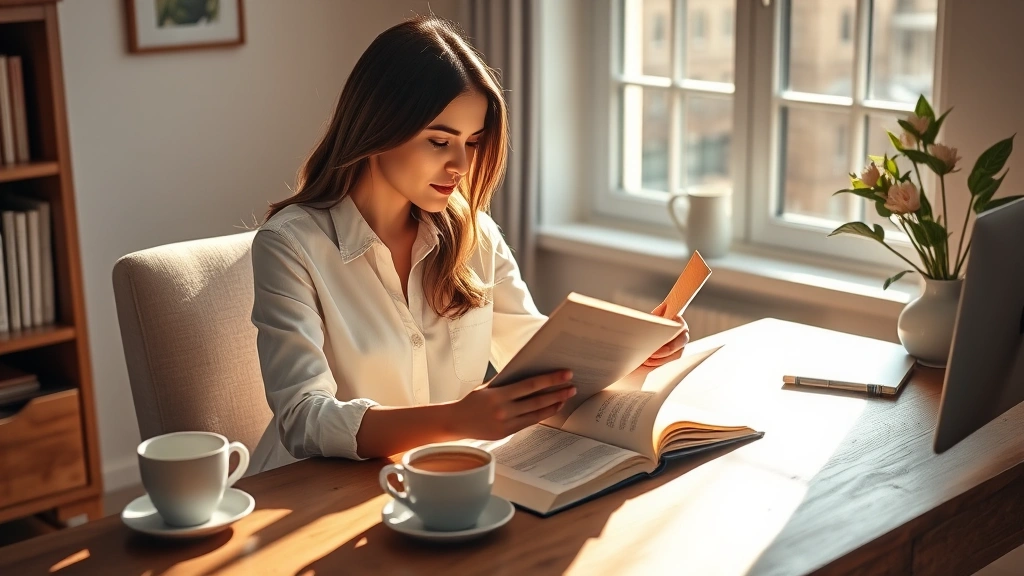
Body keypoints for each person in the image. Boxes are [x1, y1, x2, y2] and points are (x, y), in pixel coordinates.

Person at [249, 15, 689, 474]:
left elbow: (539, 359)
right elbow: (303, 418)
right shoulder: (290, 246)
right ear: (378, 130)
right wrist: (455, 419)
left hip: (438, 482)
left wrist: (633, 350)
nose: (461, 164)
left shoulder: (473, 234)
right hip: (309, 494)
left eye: (473, 142)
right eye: (440, 141)